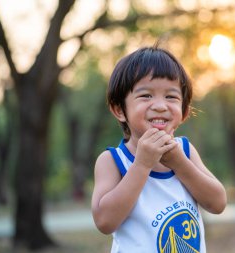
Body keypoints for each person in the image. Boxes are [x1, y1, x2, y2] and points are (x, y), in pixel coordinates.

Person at [91, 45, 227, 253]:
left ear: (183, 112)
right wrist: (142, 164)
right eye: (146, 96)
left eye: (171, 97)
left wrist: (180, 163)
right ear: (119, 110)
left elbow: (217, 203)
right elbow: (105, 221)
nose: (160, 106)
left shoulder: (186, 151)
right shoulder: (113, 160)